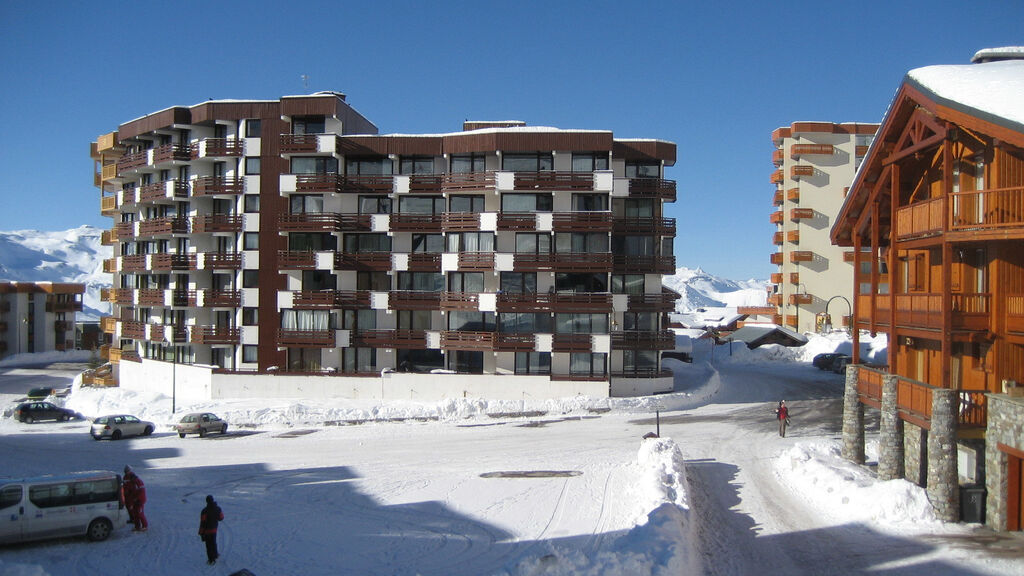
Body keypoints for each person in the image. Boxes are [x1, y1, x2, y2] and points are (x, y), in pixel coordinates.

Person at [199, 495, 224, 565]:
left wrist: (201, 532)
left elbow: (202, 523)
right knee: (213, 542)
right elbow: (221, 518)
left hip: (207, 531)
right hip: (214, 529)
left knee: (208, 545)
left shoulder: (204, 511)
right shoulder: (218, 509)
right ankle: (215, 555)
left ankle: (211, 560)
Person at [122, 465, 148, 532]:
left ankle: (144, 526)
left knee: (140, 513)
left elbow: (141, 492)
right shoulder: (128, 479)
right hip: (133, 499)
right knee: (135, 513)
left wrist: (138, 499)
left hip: (139, 500)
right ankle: (137, 526)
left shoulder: (137, 482)